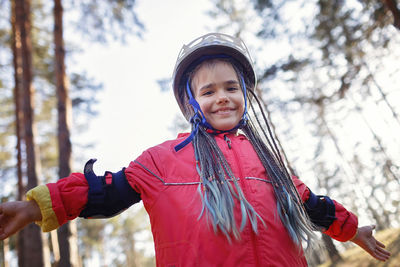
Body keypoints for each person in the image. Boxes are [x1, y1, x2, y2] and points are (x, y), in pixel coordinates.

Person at [0, 33, 391, 266]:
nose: (222, 98)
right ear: (190, 103)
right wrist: (34, 207)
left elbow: (313, 206)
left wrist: (354, 230)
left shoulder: (270, 164)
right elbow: (104, 191)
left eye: (231, 88)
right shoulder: (161, 161)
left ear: (245, 95)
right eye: (208, 91)